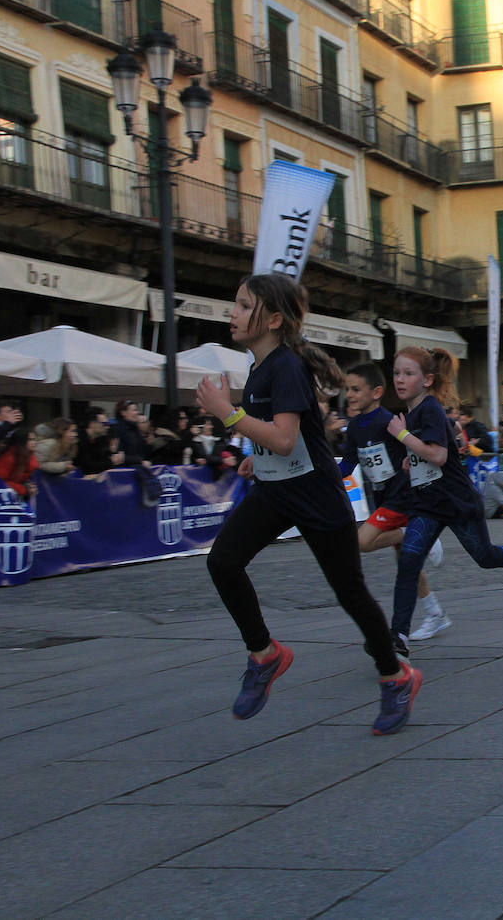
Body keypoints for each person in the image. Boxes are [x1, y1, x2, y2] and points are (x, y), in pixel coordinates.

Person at [195, 272, 420, 736]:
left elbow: (283, 436)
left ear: (273, 319)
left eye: (241, 305)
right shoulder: (262, 367)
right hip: (278, 491)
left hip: (316, 496)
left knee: (350, 593)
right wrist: (256, 461)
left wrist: (227, 412)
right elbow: (282, 438)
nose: (231, 313)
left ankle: (396, 677)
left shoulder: (285, 366)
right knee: (223, 562)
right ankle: (265, 654)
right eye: (233, 304)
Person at [378, 346, 503, 651]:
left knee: (486, 557)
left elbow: (438, 454)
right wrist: (410, 461)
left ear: (426, 380)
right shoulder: (412, 412)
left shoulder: (431, 409)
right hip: (428, 504)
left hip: (456, 501)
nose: (400, 379)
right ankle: (398, 636)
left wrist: (401, 436)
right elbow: (427, 454)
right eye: (397, 372)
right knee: (409, 560)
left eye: (408, 373)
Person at [341, 362, 449, 645]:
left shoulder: (389, 421)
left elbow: (418, 450)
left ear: (376, 392)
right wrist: (319, 475)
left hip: (403, 498)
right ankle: (435, 613)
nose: (349, 395)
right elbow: (348, 464)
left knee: (361, 542)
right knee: (407, 564)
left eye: (355, 389)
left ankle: (419, 533)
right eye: (347, 390)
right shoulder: (353, 426)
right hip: (383, 497)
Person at [0, 425, 38, 498]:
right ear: (21, 441)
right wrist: (23, 489)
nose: (34, 443)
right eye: (30, 440)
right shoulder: (7, 458)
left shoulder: (30, 456)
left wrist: (28, 487)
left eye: (35, 439)